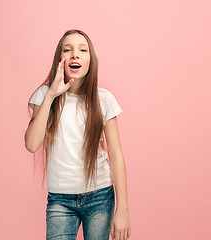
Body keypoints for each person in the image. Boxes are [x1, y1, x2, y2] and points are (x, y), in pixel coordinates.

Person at [24, 29, 131, 240]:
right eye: (68, 49)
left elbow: (116, 155)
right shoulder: (45, 95)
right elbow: (31, 144)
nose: (75, 54)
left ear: (91, 60)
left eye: (82, 50)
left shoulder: (104, 99)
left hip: (100, 196)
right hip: (60, 200)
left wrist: (123, 209)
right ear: (59, 59)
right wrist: (52, 94)